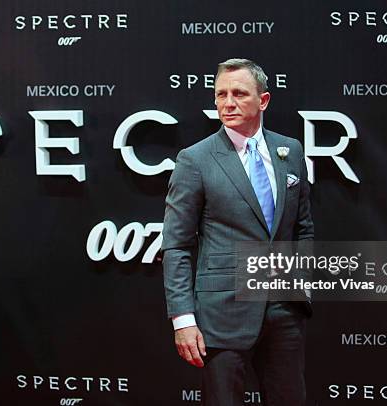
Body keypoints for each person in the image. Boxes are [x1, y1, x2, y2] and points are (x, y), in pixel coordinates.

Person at [162, 58, 314, 406]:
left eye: (239, 94)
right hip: (222, 313)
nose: (227, 103)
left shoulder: (290, 151)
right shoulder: (195, 159)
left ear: (263, 100)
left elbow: (303, 229)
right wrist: (182, 319)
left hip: (284, 310)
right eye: (220, 95)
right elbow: (176, 245)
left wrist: (301, 285)